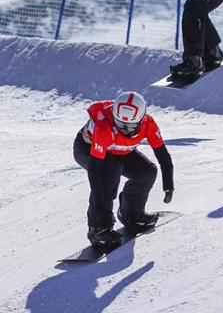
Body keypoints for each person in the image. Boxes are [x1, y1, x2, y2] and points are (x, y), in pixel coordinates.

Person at [73, 91, 174, 249]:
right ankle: (98, 230)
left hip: (120, 151)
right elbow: (95, 170)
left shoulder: (149, 124)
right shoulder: (104, 128)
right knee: (108, 175)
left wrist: (169, 185)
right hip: (87, 149)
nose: (125, 130)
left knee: (147, 172)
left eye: (131, 126)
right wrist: (102, 215)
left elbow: (163, 155)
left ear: (141, 119)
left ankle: (131, 215)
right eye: (120, 125)